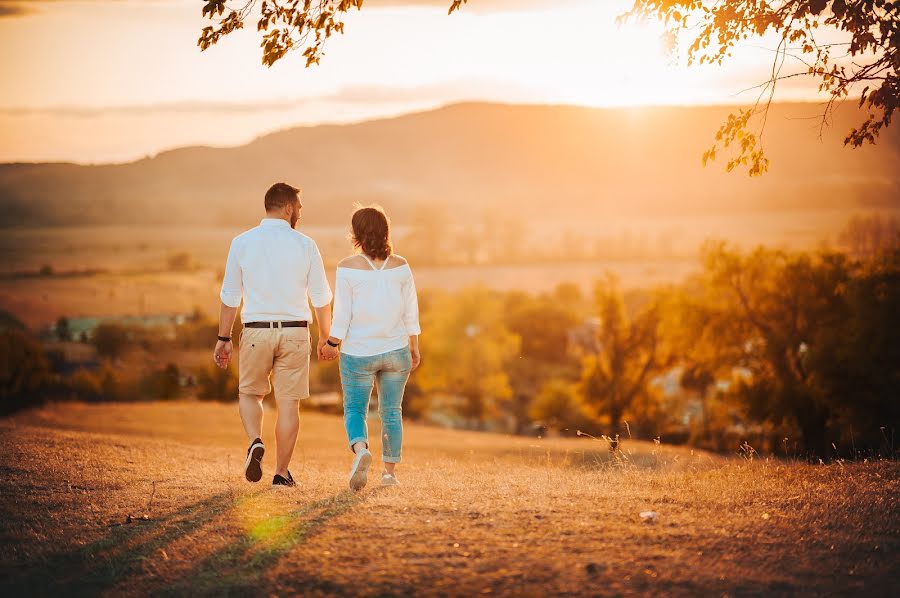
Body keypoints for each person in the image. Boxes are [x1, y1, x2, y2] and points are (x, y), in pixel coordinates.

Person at [214, 182, 334, 487]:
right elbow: (321, 297)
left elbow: (230, 296)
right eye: (300, 209)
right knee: (288, 404)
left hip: (256, 331)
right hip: (295, 332)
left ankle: (255, 440)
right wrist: (326, 337)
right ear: (290, 208)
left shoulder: (241, 243)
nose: (300, 215)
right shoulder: (306, 244)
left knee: (250, 394)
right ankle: (281, 475)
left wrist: (224, 337)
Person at [321, 205, 421, 490]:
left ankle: (362, 450)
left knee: (355, 409)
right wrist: (414, 346)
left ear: (356, 234)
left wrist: (331, 343)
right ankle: (389, 474)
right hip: (396, 350)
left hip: (358, 353)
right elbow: (410, 311)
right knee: (392, 411)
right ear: (385, 231)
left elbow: (342, 315)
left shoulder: (347, 267)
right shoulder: (402, 265)